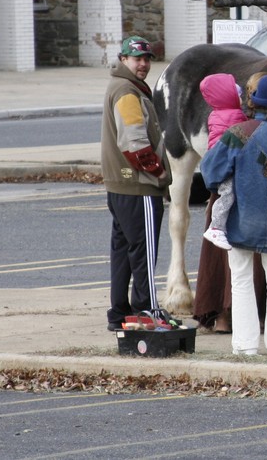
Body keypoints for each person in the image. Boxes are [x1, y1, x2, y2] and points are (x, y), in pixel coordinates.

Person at [200, 74, 267, 356]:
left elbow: (211, 170)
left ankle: (245, 345)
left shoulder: (238, 133)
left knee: (241, 279)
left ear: (255, 101)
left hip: (243, 218)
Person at [100, 35, 176, 331]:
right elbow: (134, 142)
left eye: (146, 59)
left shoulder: (120, 86)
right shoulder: (127, 92)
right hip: (138, 186)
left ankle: (119, 314)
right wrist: (157, 172)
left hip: (118, 185)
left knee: (122, 252)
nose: (143, 64)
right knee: (143, 251)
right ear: (123, 60)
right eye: (137, 59)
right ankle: (146, 311)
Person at [199, 73, 247, 252]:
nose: (242, 100)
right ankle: (216, 227)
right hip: (225, 161)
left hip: (221, 159)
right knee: (228, 193)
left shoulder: (218, 113)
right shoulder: (234, 115)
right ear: (229, 97)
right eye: (239, 96)